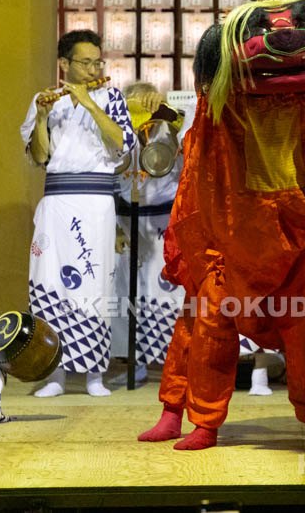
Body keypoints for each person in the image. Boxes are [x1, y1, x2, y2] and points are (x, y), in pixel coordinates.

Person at [138, 0, 305, 451]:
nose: (284, 40)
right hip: (234, 230)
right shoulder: (222, 95)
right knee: (204, 320)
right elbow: (200, 169)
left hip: (302, 231)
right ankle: (188, 416)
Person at [21, 30, 135, 398]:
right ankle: (53, 374)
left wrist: (89, 103)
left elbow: (121, 144)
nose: (92, 69)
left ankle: (93, 375)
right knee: (49, 283)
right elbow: (40, 157)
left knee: (94, 282)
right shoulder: (44, 99)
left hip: (96, 201)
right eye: (85, 62)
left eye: (97, 62)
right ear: (64, 65)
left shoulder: (111, 97)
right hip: (57, 198)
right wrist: (41, 119)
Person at [109, 82, 187, 385]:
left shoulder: (168, 125)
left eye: (144, 104)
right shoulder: (118, 130)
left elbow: (181, 127)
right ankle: (135, 361)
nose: (140, 110)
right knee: (127, 294)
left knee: (170, 294)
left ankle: (175, 364)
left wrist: (162, 107)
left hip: (163, 219)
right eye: (133, 105)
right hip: (126, 218)